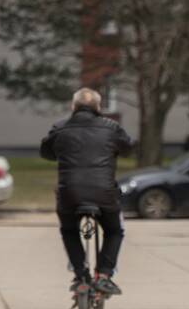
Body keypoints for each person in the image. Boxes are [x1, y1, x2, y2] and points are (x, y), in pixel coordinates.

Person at [40, 87, 133, 296]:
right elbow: (128, 148)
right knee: (114, 230)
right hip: (104, 193)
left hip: (69, 194)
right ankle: (105, 275)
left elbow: (45, 152)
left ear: (73, 106)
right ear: (98, 107)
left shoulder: (59, 128)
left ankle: (81, 275)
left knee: (69, 230)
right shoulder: (112, 128)